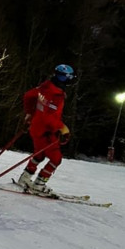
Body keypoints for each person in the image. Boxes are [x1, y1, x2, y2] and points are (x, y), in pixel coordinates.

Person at [18, 64, 76, 194]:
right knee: (56, 159)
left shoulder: (45, 87)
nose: (68, 80)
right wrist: (62, 128)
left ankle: (25, 178)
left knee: (39, 155)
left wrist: (29, 113)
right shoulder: (55, 94)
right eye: (67, 77)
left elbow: (28, 95)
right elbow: (48, 117)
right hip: (46, 131)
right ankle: (39, 184)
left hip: (36, 127)